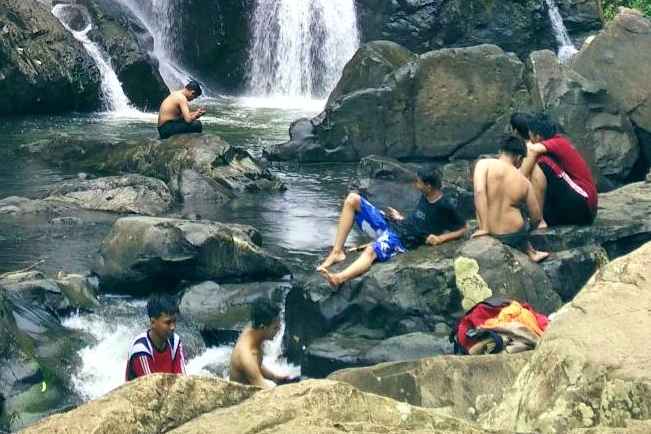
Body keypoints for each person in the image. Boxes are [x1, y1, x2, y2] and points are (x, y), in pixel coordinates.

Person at [316, 166, 469, 289]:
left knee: (372, 250)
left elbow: (464, 227)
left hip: (403, 240)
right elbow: (421, 218)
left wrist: (441, 238)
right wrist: (401, 217)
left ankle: (339, 279)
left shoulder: (444, 205)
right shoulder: (426, 195)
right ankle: (337, 252)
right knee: (352, 199)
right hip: (397, 225)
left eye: (419, 182)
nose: (415, 184)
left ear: (428, 186)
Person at [509, 112, 598, 226]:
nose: (529, 138)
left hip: (584, 203)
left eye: (530, 134)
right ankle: (537, 218)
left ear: (538, 137)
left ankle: (539, 220)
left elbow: (532, 150)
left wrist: (518, 179)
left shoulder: (559, 143)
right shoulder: (552, 143)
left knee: (540, 162)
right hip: (573, 207)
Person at [472, 134, 548, 264]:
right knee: (521, 214)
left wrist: (484, 228)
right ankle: (532, 252)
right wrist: (527, 229)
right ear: (519, 158)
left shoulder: (484, 164)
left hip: (489, 231)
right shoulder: (524, 182)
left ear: (500, 151)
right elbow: (536, 217)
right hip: (513, 234)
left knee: (481, 204)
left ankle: (485, 227)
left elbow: (479, 192)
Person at [228, 298, 298, 387]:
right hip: (244, 398)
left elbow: (256, 366)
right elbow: (265, 394)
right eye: (275, 328)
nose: (279, 330)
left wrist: (275, 378)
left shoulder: (251, 332)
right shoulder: (246, 356)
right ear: (263, 327)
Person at [125, 293, 186, 381]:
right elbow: (152, 388)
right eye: (167, 323)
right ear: (153, 323)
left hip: (169, 390)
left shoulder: (174, 341)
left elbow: (182, 379)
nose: (173, 327)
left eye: (174, 321)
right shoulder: (140, 349)